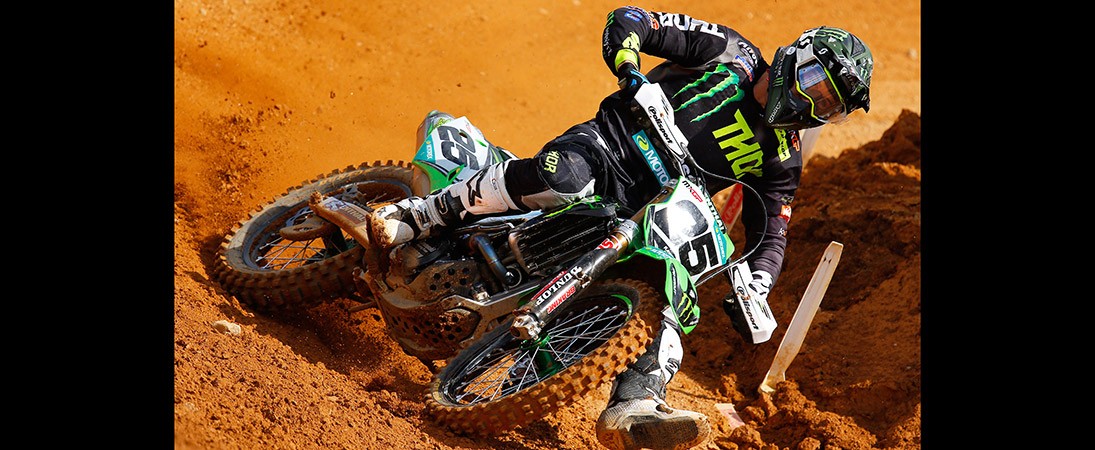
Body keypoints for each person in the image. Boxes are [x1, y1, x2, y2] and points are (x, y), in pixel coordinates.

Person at [369, 6, 873, 450]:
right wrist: (631, 67)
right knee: (561, 177)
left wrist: (758, 285)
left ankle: (636, 404)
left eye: (830, 107)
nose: (813, 107)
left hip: (647, 210)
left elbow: (773, 230)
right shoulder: (729, 52)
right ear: (796, 59)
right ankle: (421, 216)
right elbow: (633, 20)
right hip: (608, 149)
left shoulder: (783, 158)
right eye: (816, 87)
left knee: (674, 292)